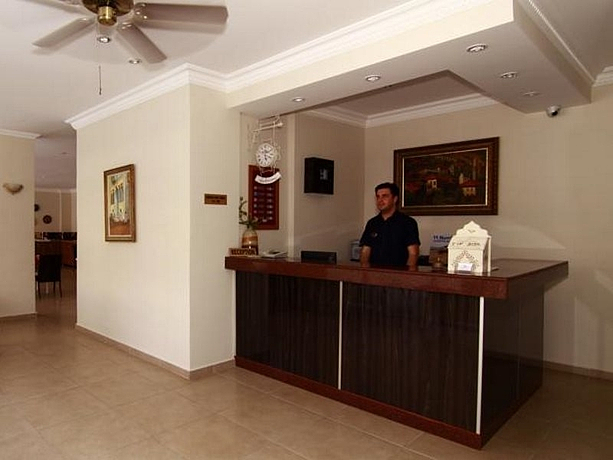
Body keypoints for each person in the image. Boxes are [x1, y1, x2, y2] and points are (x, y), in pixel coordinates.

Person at [359, 182, 420, 268]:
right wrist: (364, 272)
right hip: (374, 273)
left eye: (385, 196)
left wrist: (407, 274)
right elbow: (365, 251)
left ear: (395, 199)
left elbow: (413, 254)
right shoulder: (372, 223)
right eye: (378, 197)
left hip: (398, 273)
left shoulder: (408, 223)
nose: (380, 200)